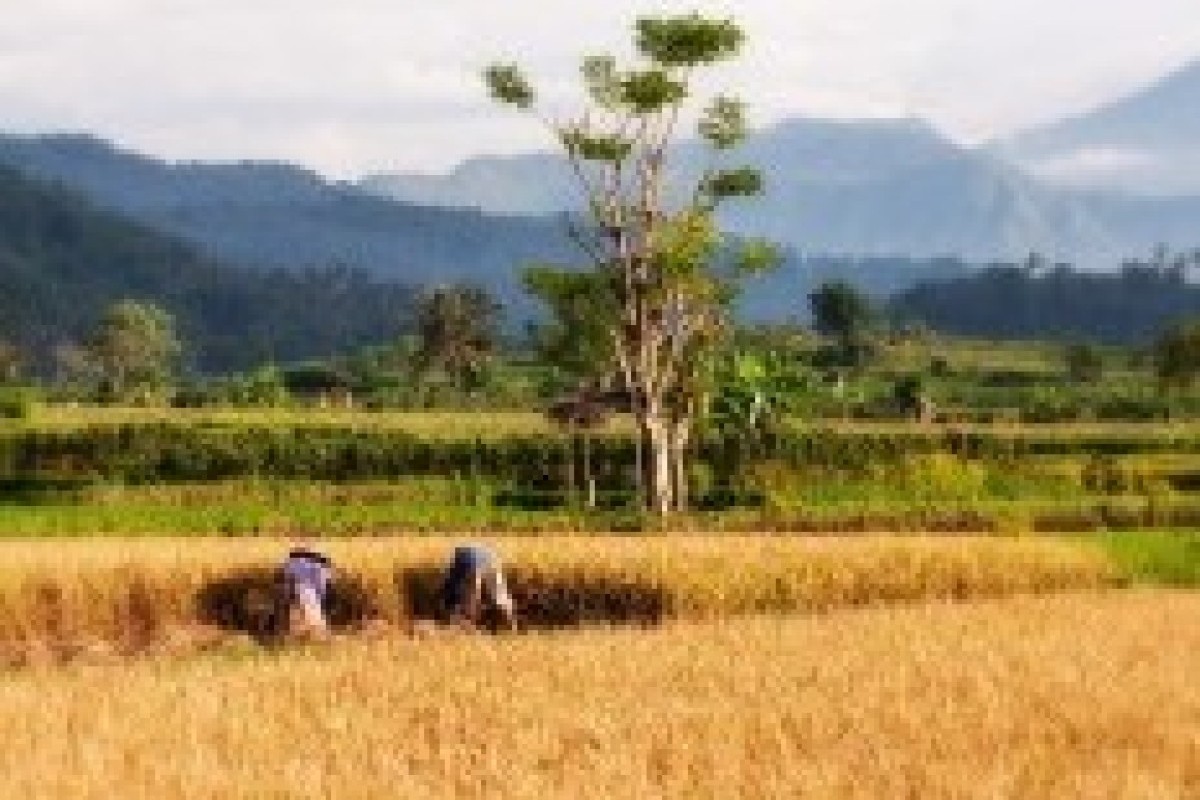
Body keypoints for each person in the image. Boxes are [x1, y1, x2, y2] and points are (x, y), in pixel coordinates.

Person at [439, 544, 516, 631]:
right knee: (500, 599)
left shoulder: (451, 595)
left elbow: (465, 607)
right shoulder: (451, 588)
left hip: (470, 563)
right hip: (489, 558)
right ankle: (512, 626)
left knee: (470, 603)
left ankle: (510, 625)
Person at [281, 540, 334, 639]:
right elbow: (323, 586)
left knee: (296, 622)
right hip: (310, 595)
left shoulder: (290, 563)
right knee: (315, 624)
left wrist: (288, 596)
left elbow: (287, 581)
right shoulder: (320, 566)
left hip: (296, 594)